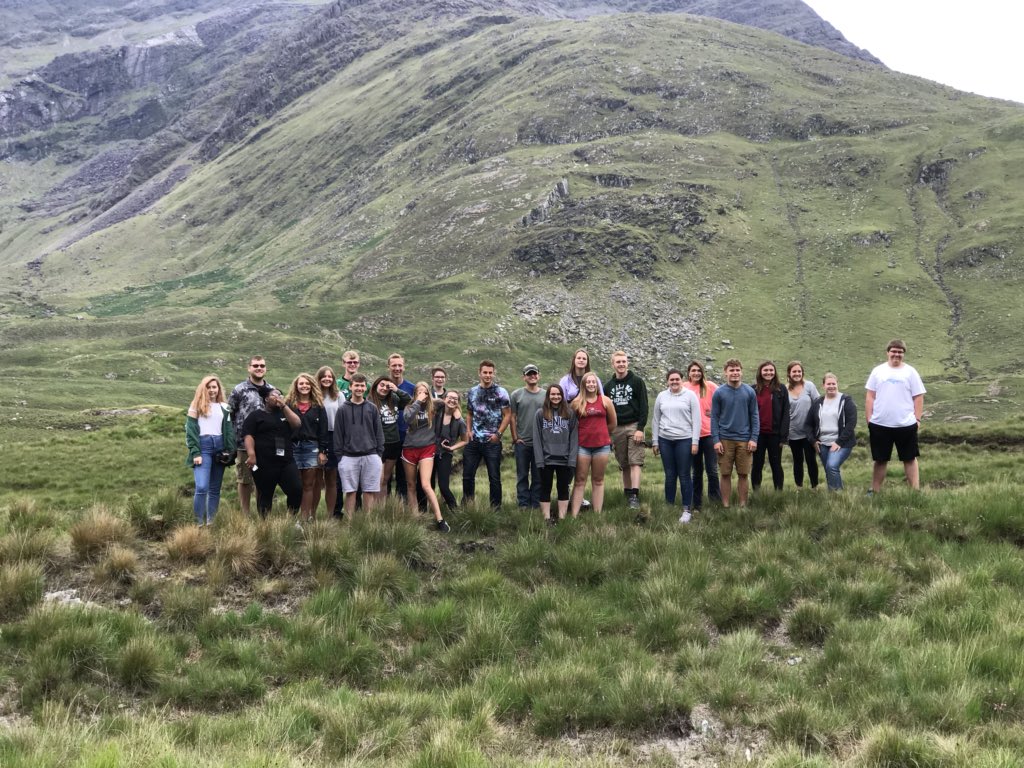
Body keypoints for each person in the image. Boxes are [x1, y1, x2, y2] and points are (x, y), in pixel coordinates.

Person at [865, 339, 926, 492]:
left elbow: (918, 397)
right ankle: (875, 491)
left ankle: (915, 491)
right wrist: (869, 419)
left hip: (905, 424)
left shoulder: (911, 372)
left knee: (910, 458)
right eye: (893, 351)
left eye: (900, 352)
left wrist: (917, 419)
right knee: (880, 460)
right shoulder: (878, 371)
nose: (896, 354)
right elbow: (870, 396)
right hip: (880, 424)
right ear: (888, 352)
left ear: (903, 354)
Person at [651, 369, 702, 522]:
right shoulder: (661, 396)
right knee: (670, 475)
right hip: (665, 440)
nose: (674, 382)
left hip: (684, 439)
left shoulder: (690, 396)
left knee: (685, 475)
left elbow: (697, 420)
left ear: (682, 380)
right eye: (671, 379)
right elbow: (655, 419)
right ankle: (669, 506)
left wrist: (695, 441)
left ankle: (687, 509)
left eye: (677, 379)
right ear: (667, 381)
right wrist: (655, 441)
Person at [242, 388, 302, 518]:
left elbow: (297, 424)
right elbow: (248, 436)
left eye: (281, 394)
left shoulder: (285, 413)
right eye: (274, 395)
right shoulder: (256, 415)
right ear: (266, 399)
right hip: (264, 462)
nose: (278, 397)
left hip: (286, 461)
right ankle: (265, 525)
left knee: (296, 489)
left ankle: (291, 518)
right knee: (265, 494)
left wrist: (284, 406)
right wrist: (251, 454)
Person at [185, 375, 235, 526]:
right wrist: (195, 452)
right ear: (203, 388)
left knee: (215, 489)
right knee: (201, 487)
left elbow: (228, 430)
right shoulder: (195, 406)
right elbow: (191, 431)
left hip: (219, 447)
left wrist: (230, 450)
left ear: (218, 389)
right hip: (203, 447)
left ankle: (211, 522)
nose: (212, 390)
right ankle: (198, 523)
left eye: (214, 387)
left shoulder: (224, 407)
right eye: (209, 387)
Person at [402, 382, 451, 532]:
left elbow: (450, 402)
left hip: (427, 448)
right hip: (409, 449)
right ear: (415, 394)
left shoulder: (433, 406)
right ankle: (415, 517)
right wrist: (417, 402)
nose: (423, 394)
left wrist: (455, 412)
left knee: (425, 484)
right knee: (411, 485)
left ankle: (440, 519)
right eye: (419, 392)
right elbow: (407, 419)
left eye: (425, 392)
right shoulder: (410, 407)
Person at [334, 374, 385, 516]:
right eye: (356, 385)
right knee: (350, 492)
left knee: (369, 491)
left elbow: (379, 433)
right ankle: (350, 523)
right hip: (348, 456)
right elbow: (338, 435)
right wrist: (340, 457)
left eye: (362, 385)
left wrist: (378, 454)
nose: (359, 388)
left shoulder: (372, 408)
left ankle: (366, 523)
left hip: (371, 455)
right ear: (350, 387)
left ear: (365, 388)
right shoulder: (342, 409)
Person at [604, 351, 649, 510]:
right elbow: (605, 410)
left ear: (627, 363)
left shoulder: (637, 381)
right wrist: (608, 431)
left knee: (635, 460)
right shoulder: (608, 386)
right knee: (624, 463)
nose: (621, 364)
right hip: (616, 427)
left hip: (633, 425)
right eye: (618, 362)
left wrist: (640, 428)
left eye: (623, 361)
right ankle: (627, 493)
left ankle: (635, 495)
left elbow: (644, 406)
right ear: (613, 364)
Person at [711, 359, 759, 508]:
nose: (735, 373)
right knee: (725, 474)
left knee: (743, 474)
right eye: (731, 370)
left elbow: (755, 416)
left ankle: (742, 505)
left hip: (745, 440)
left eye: (737, 370)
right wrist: (716, 440)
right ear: (726, 372)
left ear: (741, 372)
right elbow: (714, 417)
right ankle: (725, 505)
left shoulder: (749, 392)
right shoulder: (719, 392)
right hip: (724, 439)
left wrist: (754, 438)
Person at [228, 355, 273, 516]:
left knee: (263, 481)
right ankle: (246, 514)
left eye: (262, 365)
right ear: (249, 368)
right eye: (255, 365)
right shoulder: (239, 390)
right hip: (243, 445)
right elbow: (230, 414)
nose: (259, 368)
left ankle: (263, 514)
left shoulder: (272, 390)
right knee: (245, 480)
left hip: (266, 445)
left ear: (266, 368)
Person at [463, 360, 511, 509]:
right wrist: (469, 431)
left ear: (493, 373)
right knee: (468, 476)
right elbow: (469, 414)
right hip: (474, 440)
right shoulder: (472, 392)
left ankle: (496, 508)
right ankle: (468, 506)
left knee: (494, 478)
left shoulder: (501, 392)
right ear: (479, 373)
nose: (488, 375)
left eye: (490, 373)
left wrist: (498, 434)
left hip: (492, 441)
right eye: (485, 372)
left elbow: (507, 415)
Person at [570, 372, 617, 515]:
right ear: (583, 385)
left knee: (598, 480)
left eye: (593, 382)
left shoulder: (605, 401)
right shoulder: (576, 403)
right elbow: (571, 424)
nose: (591, 384)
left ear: (597, 384)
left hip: (601, 446)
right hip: (582, 446)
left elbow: (613, 423)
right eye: (588, 382)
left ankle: (597, 514)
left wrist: (601, 433)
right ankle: (574, 515)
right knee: (580, 480)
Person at [285, 373, 329, 523]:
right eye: (301, 383)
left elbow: (323, 431)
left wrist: (323, 451)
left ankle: (304, 519)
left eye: (307, 383)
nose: (304, 386)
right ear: (296, 386)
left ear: (311, 386)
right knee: (295, 485)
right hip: (293, 448)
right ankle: (292, 517)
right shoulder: (289, 405)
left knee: (309, 485)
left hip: (312, 447)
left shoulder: (318, 406)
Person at [533, 384, 578, 524]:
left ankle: (562, 517)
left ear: (562, 396)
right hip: (546, 460)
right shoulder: (540, 414)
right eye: (552, 394)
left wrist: (572, 460)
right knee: (545, 487)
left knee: (563, 488)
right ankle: (547, 518)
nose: (556, 397)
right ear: (548, 396)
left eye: (558, 394)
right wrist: (539, 460)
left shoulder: (570, 414)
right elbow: (537, 438)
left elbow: (574, 438)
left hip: (564, 460)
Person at [808, 373, 858, 491]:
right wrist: (813, 440)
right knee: (829, 469)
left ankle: (838, 496)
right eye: (828, 384)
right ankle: (834, 497)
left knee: (831, 466)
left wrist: (839, 442)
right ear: (823, 386)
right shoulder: (818, 403)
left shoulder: (846, 401)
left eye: (833, 384)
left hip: (843, 443)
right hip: (823, 443)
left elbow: (851, 423)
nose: (831, 386)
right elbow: (808, 424)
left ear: (837, 384)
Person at [683, 360, 721, 513]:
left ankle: (715, 502)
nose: (696, 373)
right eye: (693, 370)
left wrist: (714, 415)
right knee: (696, 471)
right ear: (689, 372)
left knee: (712, 470)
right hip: (692, 436)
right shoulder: (684, 387)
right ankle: (697, 504)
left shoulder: (710, 386)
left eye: (699, 370)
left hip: (709, 433)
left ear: (702, 372)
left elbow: (721, 402)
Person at [368, 376, 412, 504]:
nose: (384, 388)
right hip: (378, 444)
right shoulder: (370, 402)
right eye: (381, 385)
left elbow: (409, 401)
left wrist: (396, 390)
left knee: (386, 479)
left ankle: (383, 508)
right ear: (376, 386)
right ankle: (374, 508)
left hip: (394, 442)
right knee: (379, 479)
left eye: (387, 386)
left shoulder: (394, 399)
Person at [510, 364, 545, 509]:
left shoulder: (546, 394)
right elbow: (512, 417)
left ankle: (536, 504)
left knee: (538, 476)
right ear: (524, 377)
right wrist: (515, 438)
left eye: (534, 373)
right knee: (522, 475)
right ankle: (523, 504)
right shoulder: (516, 395)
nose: (532, 376)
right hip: (522, 443)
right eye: (529, 374)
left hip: (541, 443)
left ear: (539, 375)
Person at [751, 360, 790, 491]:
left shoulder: (781, 389)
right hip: (758, 435)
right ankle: (756, 493)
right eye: (765, 370)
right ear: (760, 372)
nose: (768, 373)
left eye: (771, 370)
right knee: (757, 465)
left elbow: (786, 413)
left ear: (775, 372)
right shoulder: (753, 389)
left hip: (775, 435)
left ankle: (778, 493)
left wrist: (783, 437)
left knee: (776, 465)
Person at [786, 361, 820, 490]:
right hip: (793, 432)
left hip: (809, 432)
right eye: (794, 371)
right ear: (789, 373)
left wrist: (817, 428)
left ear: (802, 373)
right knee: (797, 461)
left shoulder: (809, 386)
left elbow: (818, 404)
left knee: (811, 460)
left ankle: (814, 487)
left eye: (799, 371)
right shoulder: (785, 389)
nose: (797, 374)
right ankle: (799, 487)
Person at [387, 353, 417, 500]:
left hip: (407, 438)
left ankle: (401, 510)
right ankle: (383, 507)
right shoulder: (382, 386)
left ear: (404, 367)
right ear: (389, 367)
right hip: (387, 439)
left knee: (403, 477)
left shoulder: (411, 388)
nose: (397, 368)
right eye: (394, 365)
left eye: (399, 365)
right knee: (384, 477)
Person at [316, 366, 344, 518]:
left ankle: (330, 514)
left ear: (333, 379)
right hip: (317, 437)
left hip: (334, 436)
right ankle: (311, 514)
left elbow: (344, 418)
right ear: (319, 378)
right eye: (324, 376)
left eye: (330, 376)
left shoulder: (338, 396)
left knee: (332, 477)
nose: (327, 379)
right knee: (315, 477)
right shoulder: (314, 395)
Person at [433, 390, 468, 513]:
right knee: (427, 484)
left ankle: (455, 511)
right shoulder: (436, 412)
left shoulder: (460, 422)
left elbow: (465, 440)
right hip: (429, 453)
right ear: (444, 399)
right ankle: (424, 511)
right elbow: (428, 401)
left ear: (458, 402)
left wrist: (452, 448)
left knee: (443, 486)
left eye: (455, 399)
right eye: (449, 397)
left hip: (445, 455)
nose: (452, 400)